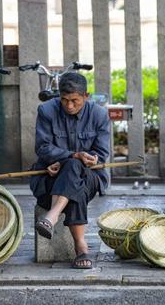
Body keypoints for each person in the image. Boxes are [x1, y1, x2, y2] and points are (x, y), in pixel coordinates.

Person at [30, 72, 110, 269]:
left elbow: (101, 152)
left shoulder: (99, 115)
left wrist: (88, 159)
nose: (69, 106)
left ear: (86, 96)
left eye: (75, 100)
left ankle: (51, 216)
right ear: (59, 96)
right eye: (64, 100)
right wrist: (69, 157)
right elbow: (42, 148)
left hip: (90, 176)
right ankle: (81, 249)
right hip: (49, 177)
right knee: (75, 181)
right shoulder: (47, 111)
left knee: (75, 168)